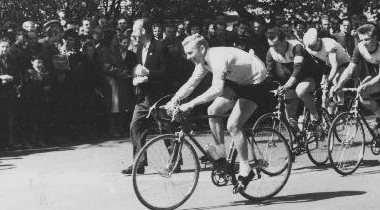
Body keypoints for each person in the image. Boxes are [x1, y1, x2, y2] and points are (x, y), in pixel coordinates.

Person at [163, 35, 272, 191]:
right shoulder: (203, 62)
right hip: (238, 81)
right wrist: (174, 100)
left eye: (190, 53)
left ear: (201, 49)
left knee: (233, 125)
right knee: (213, 111)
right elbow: (190, 84)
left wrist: (190, 104)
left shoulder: (217, 57)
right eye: (186, 54)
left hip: (256, 81)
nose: (188, 57)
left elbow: (216, 89)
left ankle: (246, 170)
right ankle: (221, 156)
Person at [331, 23, 380, 164]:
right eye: (361, 40)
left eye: (367, 39)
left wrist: (366, 84)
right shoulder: (360, 47)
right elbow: (350, 70)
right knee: (362, 97)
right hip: (376, 78)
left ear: (375, 38)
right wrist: (337, 85)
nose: (364, 43)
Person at [122, 19, 174, 175]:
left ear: (143, 31)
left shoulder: (161, 48)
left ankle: (175, 161)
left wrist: (149, 74)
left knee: (165, 128)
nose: (133, 33)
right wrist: (137, 78)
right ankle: (139, 163)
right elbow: (139, 70)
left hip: (159, 96)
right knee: (135, 127)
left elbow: (168, 73)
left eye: (135, 30)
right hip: (144, 96)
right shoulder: (139, 49)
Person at [265, 27, 325, 134]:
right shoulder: (271, 52)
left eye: (276, 45)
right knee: (289, 117)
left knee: (301, 90)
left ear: (284, 41)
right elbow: (269, 74)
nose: (274, 49)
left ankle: (316, 117)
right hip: (291, 81)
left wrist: (287, 85)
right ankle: (298, 138)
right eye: (271, 46)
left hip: (309, 75)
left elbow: (298, 69)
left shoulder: (296, 47)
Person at [98, 29, 133, 138]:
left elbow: (121, 63)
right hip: (111, 80)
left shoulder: (117, 49)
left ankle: (120, 128)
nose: (116, 40)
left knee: (121, 105)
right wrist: (121, 73)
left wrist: (125, 71)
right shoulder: (103, 50)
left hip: (120, 80)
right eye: (114, 38)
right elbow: (106, 66)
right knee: (113, 105)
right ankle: (112, 129)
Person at [0, 37, 21, 150]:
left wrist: (11, 78)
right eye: (2, 46)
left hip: (10, 93)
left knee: (11, 119)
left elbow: (18, 76)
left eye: (7, 47)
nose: (5, 49)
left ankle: (10, 142)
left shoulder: (13, 59)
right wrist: (0, 79)